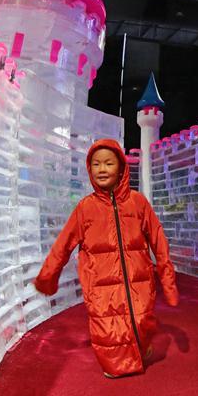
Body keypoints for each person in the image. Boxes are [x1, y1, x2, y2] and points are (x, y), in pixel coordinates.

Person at [34, 139, 179, 378]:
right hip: (102, 286)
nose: (102, 169)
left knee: (142, 318)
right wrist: (47, 277)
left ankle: (140, 349)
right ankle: (115, 365)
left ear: (121, 168)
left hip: (139, 280)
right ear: (89, 170)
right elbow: (62, 245)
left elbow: (157, 238)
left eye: (108, 163)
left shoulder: (137, 202)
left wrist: (168, 282)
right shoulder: (85, 209)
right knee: (108, 327)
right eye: (96, 164)